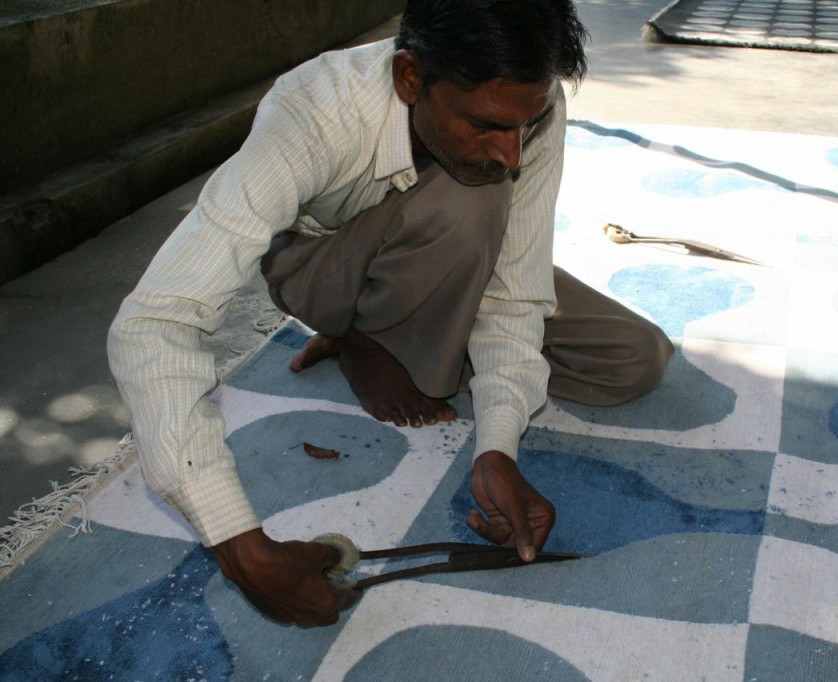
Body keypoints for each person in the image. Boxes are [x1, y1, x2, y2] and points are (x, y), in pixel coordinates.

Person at [108, 0, 673, 627]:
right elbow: (157, 321)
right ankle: (363, 336)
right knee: (474, 198)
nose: (512, 154)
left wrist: (497, 447)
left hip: (455, 255)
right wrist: (238, 544)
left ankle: (404, 337)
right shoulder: (313, 110)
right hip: (321, 269)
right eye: (485, 125)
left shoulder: (522, 100)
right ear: (410, 77)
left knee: (633, 358)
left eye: (525, 126)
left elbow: (513, 291)